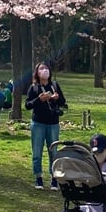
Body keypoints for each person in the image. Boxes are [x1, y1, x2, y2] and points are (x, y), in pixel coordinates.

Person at [25, 62, 67, 190]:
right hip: (38, 123)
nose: (45, 71)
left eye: (46, 68)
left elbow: (63, 102)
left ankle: (54, 179)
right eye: (41, 69)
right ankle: (38, 178)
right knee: (37, 152)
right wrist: (39, 99)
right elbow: (27, 105)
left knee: (53, 151)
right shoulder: (34, 87)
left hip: (53, 123)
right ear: (37, 73)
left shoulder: (54, 85)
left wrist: (56, 99)